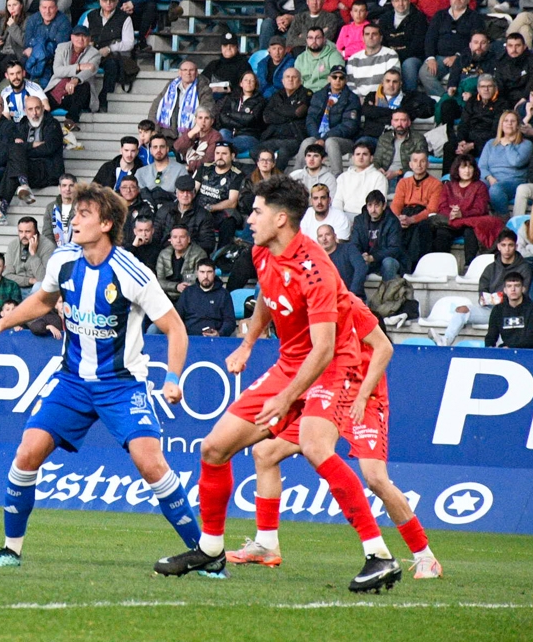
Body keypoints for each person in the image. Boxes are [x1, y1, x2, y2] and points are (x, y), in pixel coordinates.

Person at [155, 177, 401, 591]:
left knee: (316, 447)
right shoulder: (261, 250)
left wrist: (287, 398)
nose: (249, 219)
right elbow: (268, 301)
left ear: (281, 218)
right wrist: (248, 344)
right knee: (213, 448)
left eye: (256, 212)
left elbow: (324, 348)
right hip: (290, 363)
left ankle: (379, 556)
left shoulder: (317, 270)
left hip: (333, 365)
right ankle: (211, 550)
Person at [0, 183, 197, 569]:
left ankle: (206, 553)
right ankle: (10, 549)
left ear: (106, 224)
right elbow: (42, 300)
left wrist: (173, 378)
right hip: (72, 382)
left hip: (121, 385)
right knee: (26, 454)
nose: (73, 221)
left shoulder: (132, 272)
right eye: (74, 214)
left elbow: (176, 328)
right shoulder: (63, 259)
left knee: (151, 464)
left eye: (83, 215)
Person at [231, 296, 441, 579]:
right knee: (265, 453)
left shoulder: (346, 302)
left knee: (376, 479)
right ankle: (266, 545)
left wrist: (363, 396)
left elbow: (384, 347)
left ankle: (425, 556)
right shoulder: (304, 302)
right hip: (329, 394)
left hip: (364, 398)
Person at [486, 271, 533, 349]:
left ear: (523, 289)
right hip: (508, 351)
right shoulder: (498, 310)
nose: (513, 289)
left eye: (517, 286)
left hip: (530, 351)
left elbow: (531, 339)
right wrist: (489, 348)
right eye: (509, 286)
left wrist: (510, 348)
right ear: (505, 290)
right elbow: (491, 336)